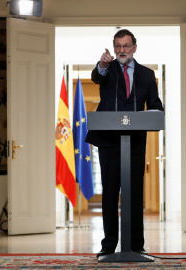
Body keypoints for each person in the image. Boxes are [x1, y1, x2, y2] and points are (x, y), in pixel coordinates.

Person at [85, 29, 164, 258]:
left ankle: (137, 245)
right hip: (109, 142)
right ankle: (108, 245)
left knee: (134, 193)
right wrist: (101, 64)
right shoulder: (106, 69)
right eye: (118, 46)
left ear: (134, 48)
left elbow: (156, 104)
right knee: (109, 193)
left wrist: (157, 114)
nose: (122, 50)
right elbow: (96, 76)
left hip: (135, 142)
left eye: (126, 46)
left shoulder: (147, 75)